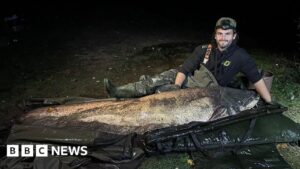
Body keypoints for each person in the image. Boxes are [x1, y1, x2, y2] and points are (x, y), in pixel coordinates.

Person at [104, 17, 272, 103]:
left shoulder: (241, 56)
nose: (223, 38)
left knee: (161, 92)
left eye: (227, 34)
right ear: (215, 35)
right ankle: (120, 91)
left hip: (206, 93)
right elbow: (184, 69)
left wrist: (269, 101)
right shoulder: (203, 49)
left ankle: (137, 96)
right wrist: (176, 87)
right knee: (160, 79)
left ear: (234, 36)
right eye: (220, 34)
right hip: (188, 82)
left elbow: (256, 79)